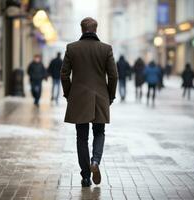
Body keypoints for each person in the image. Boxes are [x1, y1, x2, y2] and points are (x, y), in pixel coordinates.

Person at [61, 17, 118, 187]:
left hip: (79, 99)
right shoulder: (106, 49)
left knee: (81, 137)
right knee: (99, 132)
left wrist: (69, 94)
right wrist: (110, 95)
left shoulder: (72, 48)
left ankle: (86, 176)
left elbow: (64, 74)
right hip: (100, 97)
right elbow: (113, 75)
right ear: (96, 29)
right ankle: (95, 161)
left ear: (81, 29)